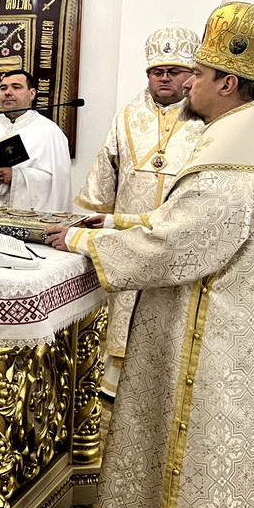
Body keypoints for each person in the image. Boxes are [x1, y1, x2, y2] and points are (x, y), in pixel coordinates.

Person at [43, 0, 254, 508]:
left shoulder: (227, 164)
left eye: (199, 74)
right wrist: (116, 219)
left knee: (191, 450)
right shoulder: (251, 146)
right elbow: (185, 222)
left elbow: (176, 244)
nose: (188, 83)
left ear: (227, 82)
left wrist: (84, 241)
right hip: (225, 326)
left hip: (206, 337)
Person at [75, 24, 205, 397]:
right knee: (125, 304)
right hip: (128, 231)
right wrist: (96, 220)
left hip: (179, 234)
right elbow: (106, 166)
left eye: (174, 71)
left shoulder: (206, 120)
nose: (164, 78)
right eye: (156, 71)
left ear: (190, 75)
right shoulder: (127, 116)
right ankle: (115, 380)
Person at [0, 69, 71, 210]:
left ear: (32, 94)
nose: (8, 92)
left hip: (26, 216)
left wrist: (16, 176)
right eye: (3, 88)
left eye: (16, 87)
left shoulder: (50, 132)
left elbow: (58, 184)